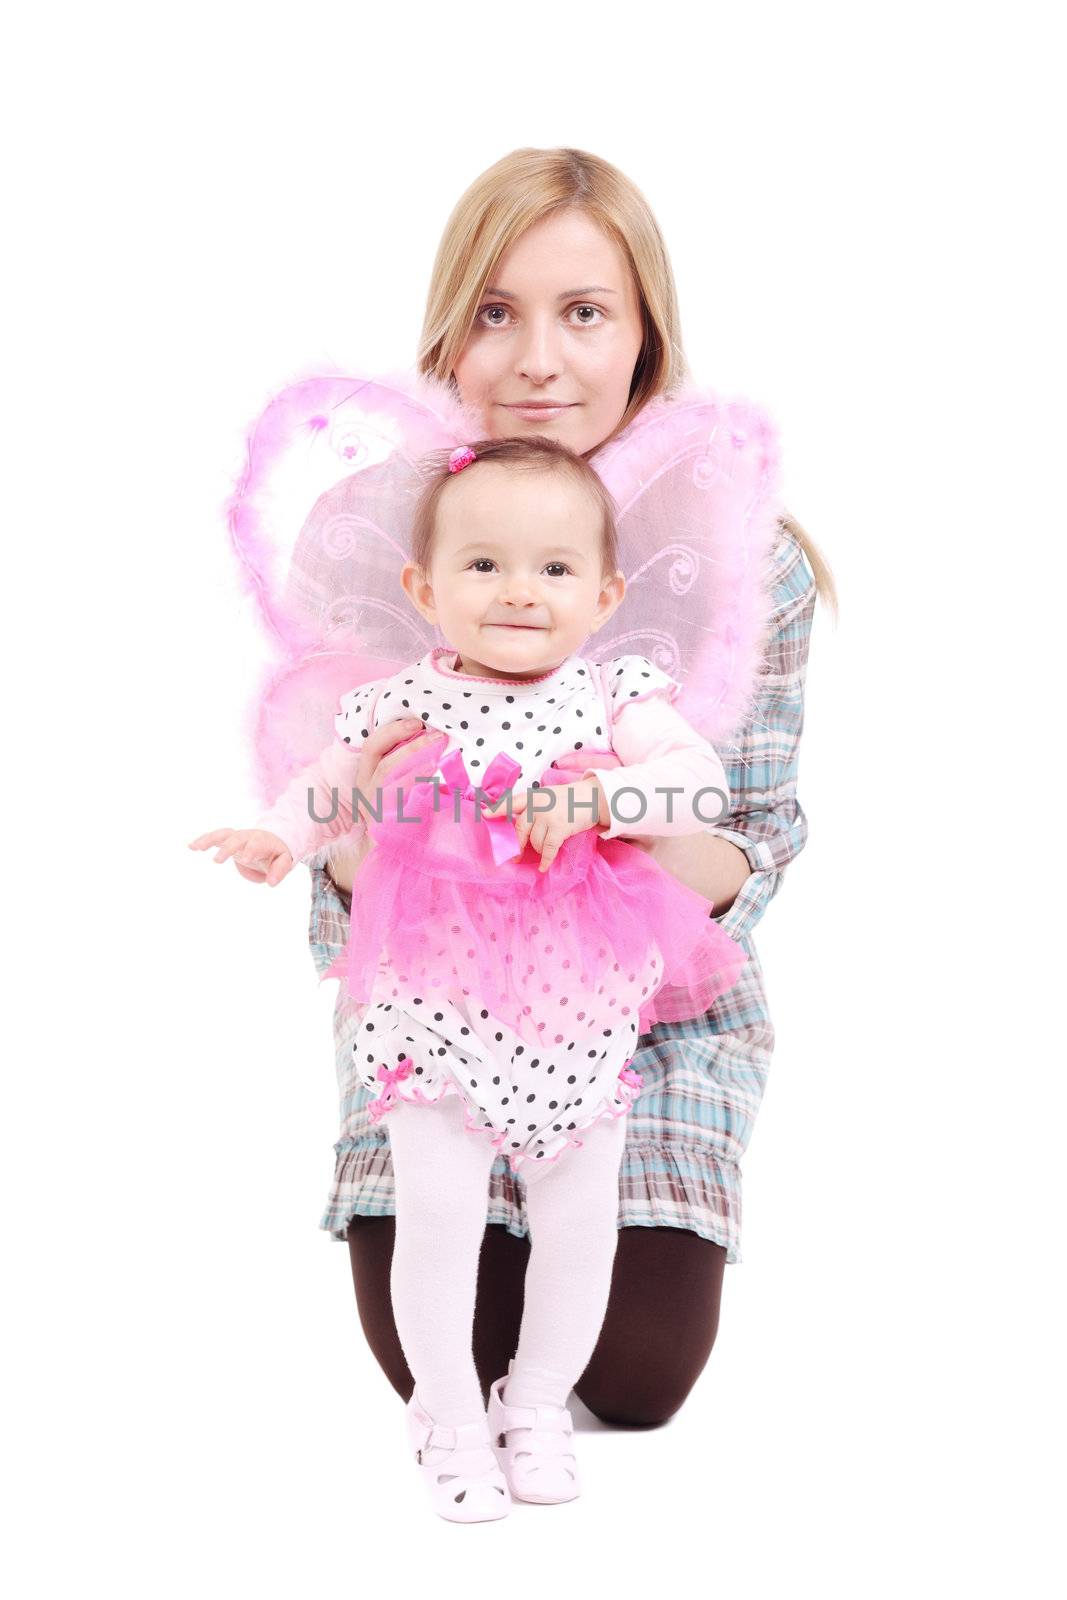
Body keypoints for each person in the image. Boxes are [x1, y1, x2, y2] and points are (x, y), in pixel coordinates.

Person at [273, 148, 836, 1431]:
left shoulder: (747, 563)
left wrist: (609, 806)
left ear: (642, 340)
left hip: (646, 1016)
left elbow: (752, 844)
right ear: (447, 337)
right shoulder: (377, 543)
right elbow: (340, 863)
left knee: (631, 1378)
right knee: (446, 1351)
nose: (537, 360)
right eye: (494, 312)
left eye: (583, 313)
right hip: (438, 995)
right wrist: (403, 817)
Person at [194, 436, 753, 1520]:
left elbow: (697, 782)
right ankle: (447, 1414)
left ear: (600, 595)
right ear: (425, 587)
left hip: (574, 1003)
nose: (516, 593)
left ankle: (534, 1401)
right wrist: (276, 838)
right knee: (437, 1216)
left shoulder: (613, 696)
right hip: (434, 999)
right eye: (483, 564)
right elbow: (329, 786)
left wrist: (598, 802)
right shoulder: (399, 703)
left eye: (552, 571)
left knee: (580, 1219)